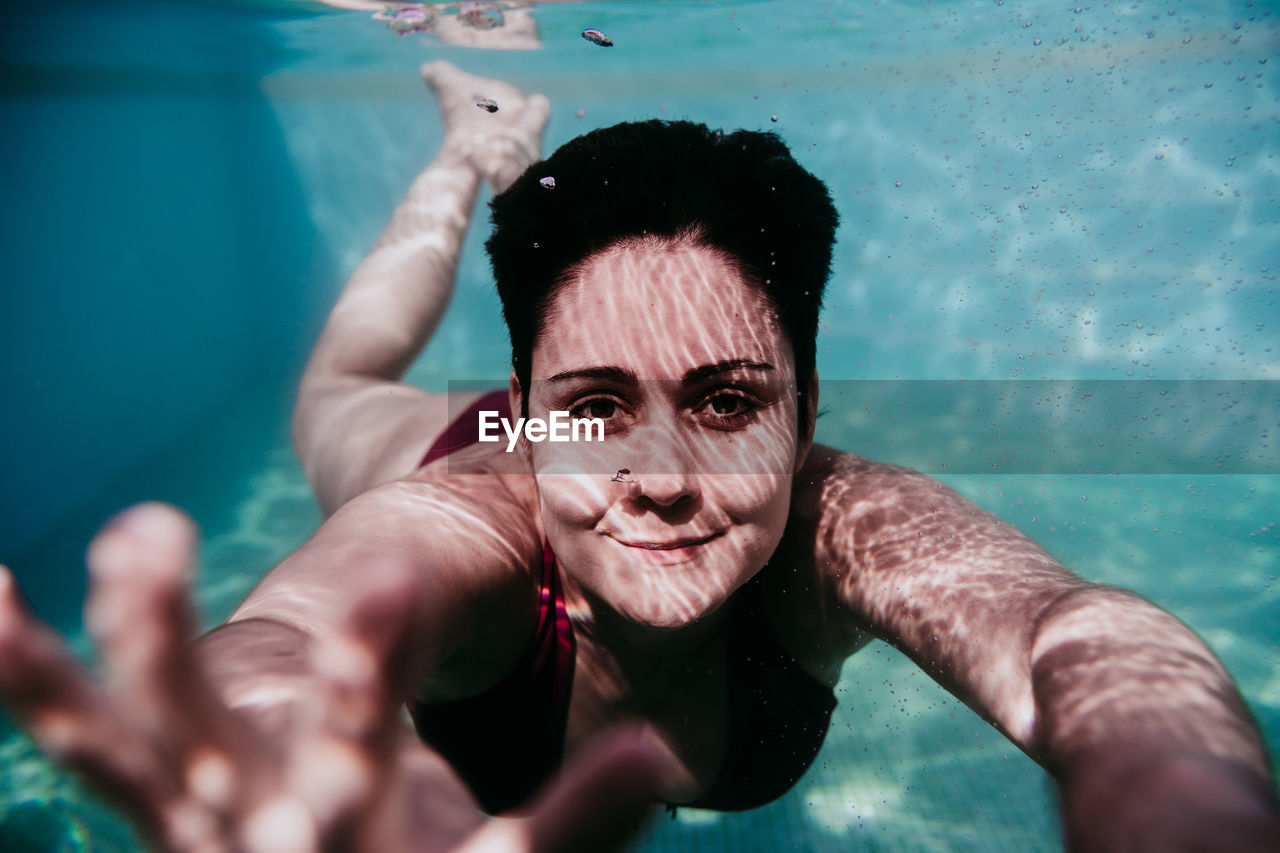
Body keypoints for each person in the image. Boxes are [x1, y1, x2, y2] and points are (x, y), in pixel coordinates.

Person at [1, 61, 1277, 853]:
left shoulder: (839, 524)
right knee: (341, 385)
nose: (662, 473)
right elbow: (291, 639)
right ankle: (470, 154)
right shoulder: (459, 526)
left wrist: (1163, 781)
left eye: (727, 402)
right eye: (598, 401)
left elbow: (1065, 630)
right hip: (486, 461)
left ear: (810, 403)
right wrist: (265, 742)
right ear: (527, 396)